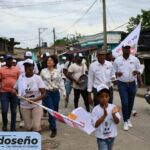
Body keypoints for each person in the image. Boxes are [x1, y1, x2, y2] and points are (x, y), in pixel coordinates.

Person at [113, 44, 142, 131]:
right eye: (125, 48)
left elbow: (140, 69)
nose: (127, 50)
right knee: (125, 103)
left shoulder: (135, 59)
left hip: (132, 84)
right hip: (122, 84)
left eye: (128, 48)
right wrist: (116, 74)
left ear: (130, 50)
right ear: (122, 49)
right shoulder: (117, 60)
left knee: (130, 103)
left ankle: (128, 118)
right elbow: (113, 71)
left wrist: (138, 72)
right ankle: (125, 121)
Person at [14, 59, 45, 132]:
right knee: (28, 127)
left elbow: (44, 93)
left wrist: (35, 100)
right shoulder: (21, 78)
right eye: (25, 66)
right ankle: (31, 140)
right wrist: (15, 92)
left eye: (29, 66)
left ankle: (37, 140)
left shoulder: (37, 78)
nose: (27, 68)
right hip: (24, 105)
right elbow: (15, 89)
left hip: (36, 105)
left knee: (36, 126)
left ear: (33, 67)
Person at [40, 54, 66, 138]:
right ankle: (54, 129)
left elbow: (61, 82)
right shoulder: (43, 71)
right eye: (48, 60)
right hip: (47, 93)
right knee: (51, 111)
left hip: (56, 93)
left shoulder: (58, 71)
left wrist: (64, 92)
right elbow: (40, 82)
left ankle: (51, 123)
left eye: (50, 60)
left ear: (54, 62)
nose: (49, 61)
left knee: (55, 111)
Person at [92, 84, 121, 150]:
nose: (104, 98)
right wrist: (104, 116)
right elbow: (95, 125)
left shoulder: (113, 107)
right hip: (101, 138)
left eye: (106, 96)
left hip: (111, 137)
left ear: (109, 97)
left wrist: (113, 115)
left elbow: (117, 122)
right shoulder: (96, 109)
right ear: (98, 97)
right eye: (102, 96)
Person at [16, 51, 39, 127]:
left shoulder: (34, 63)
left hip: (31, 83)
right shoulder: (19, 64)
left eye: (29, 57)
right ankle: (23, 119)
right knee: (22, 102)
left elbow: (36, 72)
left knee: (32, 102)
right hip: (21, 84)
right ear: (24, 57)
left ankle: (32, 119)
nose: (28, 58)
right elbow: (16, 73)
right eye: (27, 57)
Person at [0, 54, 20, 131]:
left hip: (14, 93)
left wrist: (16, 90)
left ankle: (13, 127)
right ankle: (5, 124)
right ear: (5, 61)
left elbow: (19, 80)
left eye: (11, 59)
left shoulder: (16, 69)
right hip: (4, 93)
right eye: (8, 59)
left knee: (14, 111)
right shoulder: (1, 69)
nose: (10, 61)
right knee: (4, 110)